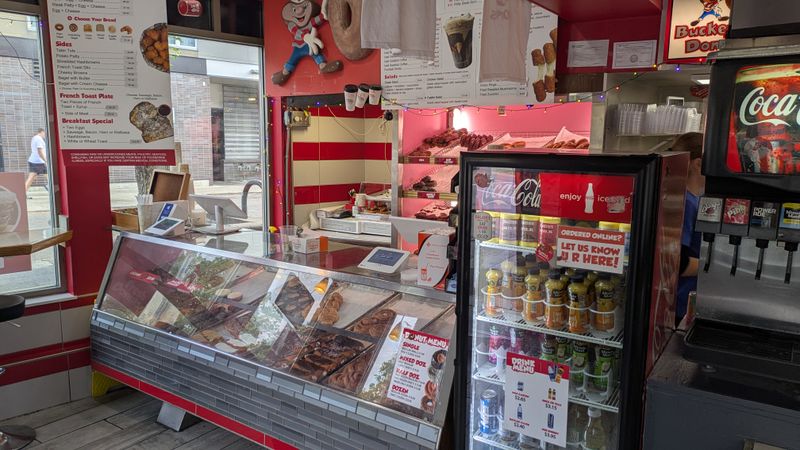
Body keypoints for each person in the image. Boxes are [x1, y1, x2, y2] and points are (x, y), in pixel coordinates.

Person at [670, 132, 704, 326]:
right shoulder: (686, 203)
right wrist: (713, 268)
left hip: (689, 301)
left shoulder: (696, 198)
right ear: (697, 164)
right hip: (680, 303)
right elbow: (677, 262)